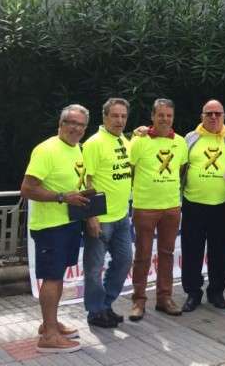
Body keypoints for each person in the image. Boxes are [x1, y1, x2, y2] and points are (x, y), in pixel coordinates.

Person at [21, 104, 91, 353]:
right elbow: (27, 189)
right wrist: (62, 197)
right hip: (51, 227)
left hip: (69, 224)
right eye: (71, 122)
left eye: (81, 124)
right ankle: (49, 337)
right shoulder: (46, 149)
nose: (76, 128)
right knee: (52, 278)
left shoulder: (77, 149)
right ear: (60, 124)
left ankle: (49, 324)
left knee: (57, 276)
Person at [128, 98, 188, 320]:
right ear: (152, 116)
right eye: (161, 115)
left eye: (169, 115)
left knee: (167, 253)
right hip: (145, 207)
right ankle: (138, 301)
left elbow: (181, 170)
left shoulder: (180, 142)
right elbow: (130, 171)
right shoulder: (139, 141)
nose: (165, 119)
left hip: (171, 206)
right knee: (142, 255)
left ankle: (164, 298)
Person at [180, 100, 225, 312]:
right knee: (191, 251)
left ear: (224, 116)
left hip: (222, 205)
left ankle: (216, 291)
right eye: (209, 113)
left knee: (222, 252)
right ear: (202, 116)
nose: (213, 117)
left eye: (217, 113)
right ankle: (192, 293)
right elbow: (181, 167)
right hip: (193, 204)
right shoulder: (190, 138)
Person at [81, 98, 133, 328]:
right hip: (101, 219)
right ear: (104, 117)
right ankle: (95, 311)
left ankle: (106, 304)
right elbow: (85, 180)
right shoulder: (94, 143)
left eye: (123, 116)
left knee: (123, 261)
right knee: (93, 269)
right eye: (115, 116)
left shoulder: (125, 139)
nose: (119, 120)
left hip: (122, 217)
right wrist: (90, 216)